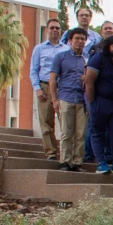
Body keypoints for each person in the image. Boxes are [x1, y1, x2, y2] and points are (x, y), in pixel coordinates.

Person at [83, 34, 113, 176]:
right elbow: (89, 82)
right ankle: (101, 163)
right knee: (97, 132)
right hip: (99, 100)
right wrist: (92, 103)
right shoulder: (98, 59)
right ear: (108, 47)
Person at [48, 29, 87, 172]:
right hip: (66, 97)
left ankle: (77, 162)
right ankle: (65, 161)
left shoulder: (87, 58)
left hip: (82, 100)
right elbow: (52, 80)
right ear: (70, 40)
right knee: (66, 132)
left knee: (81, 133)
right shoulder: (61, 57)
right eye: (77, 39)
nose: (80, 41)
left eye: (83, 39)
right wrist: (54, 99)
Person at [29, 18, 68, 160]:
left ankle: (65, 153)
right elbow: (33, 70)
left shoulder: (66, 49)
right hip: (44, 87)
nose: (55, 30)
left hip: (62, 88)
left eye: (57, 28)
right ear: (47, 30)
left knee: (65, 122)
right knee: (46, 122)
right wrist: (37, 88)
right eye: (52, 28)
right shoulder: (39, 48)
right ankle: (51, 153)